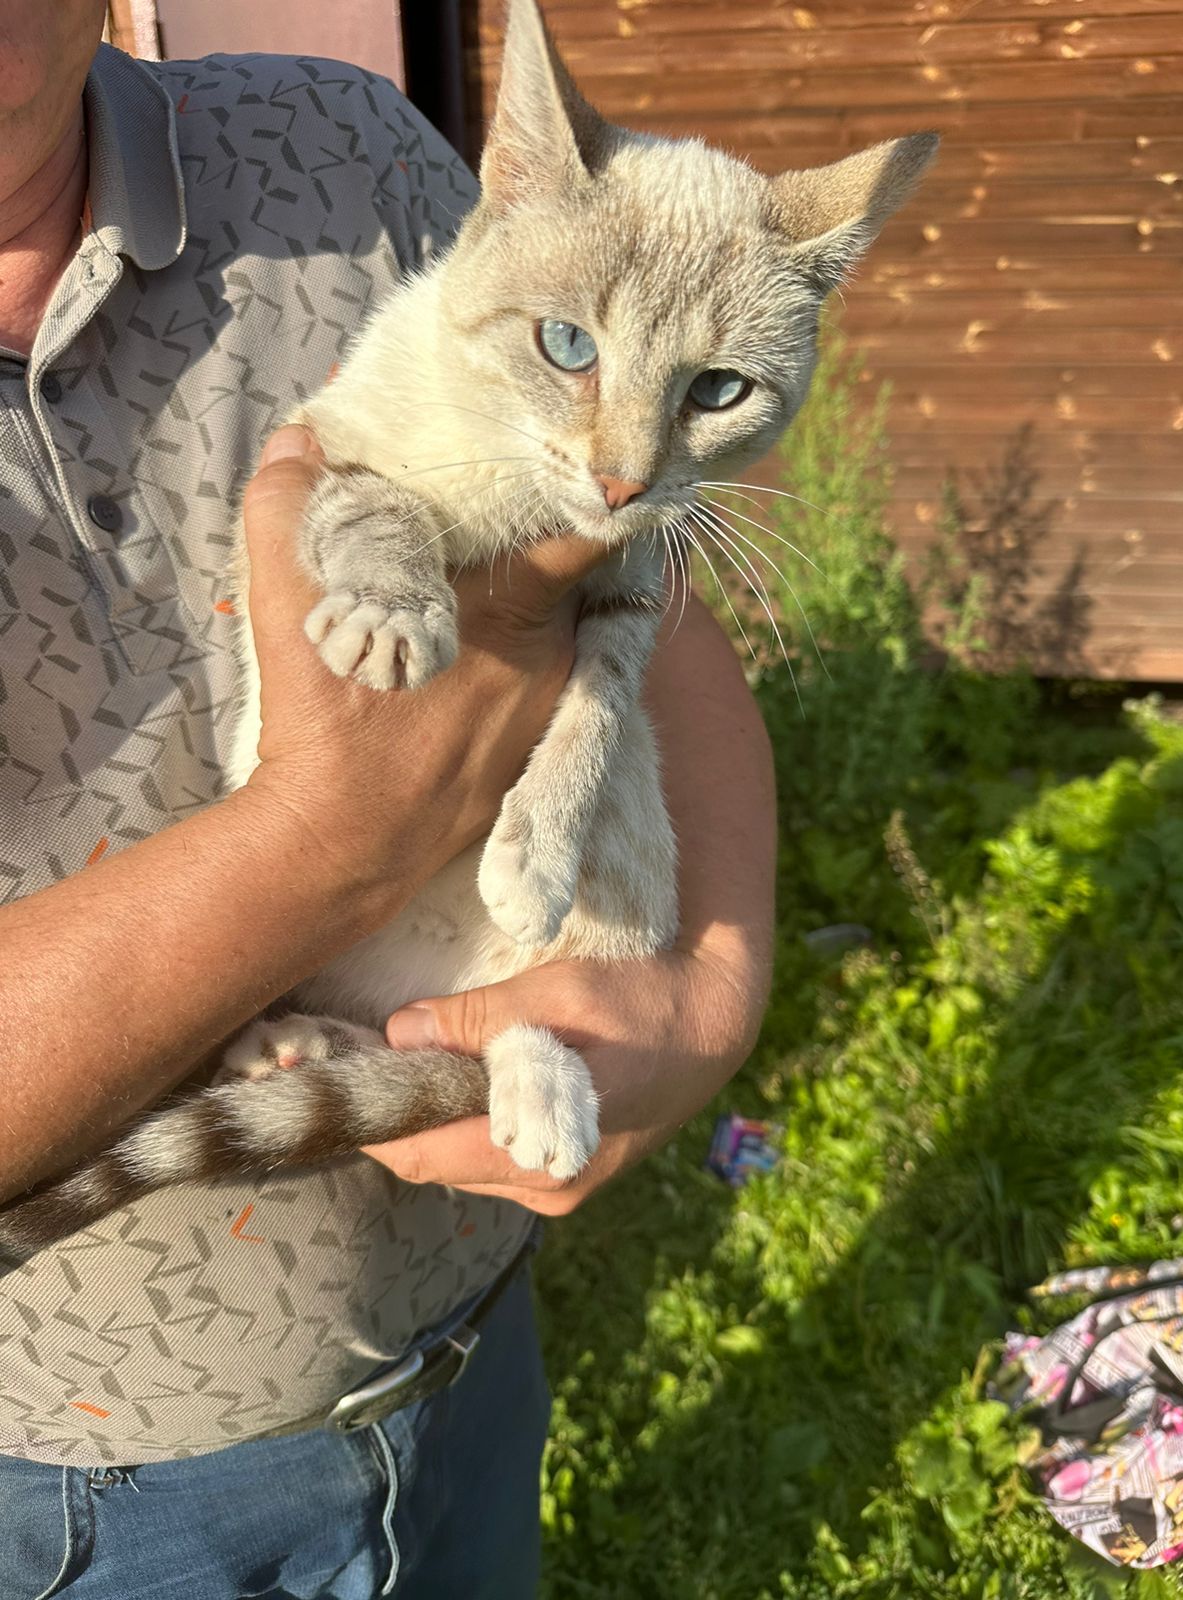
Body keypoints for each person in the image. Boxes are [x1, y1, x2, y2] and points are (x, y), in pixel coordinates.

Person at [0, 3, 775, 1595]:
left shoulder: (344, 150)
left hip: (464, 1342)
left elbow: (634, 568)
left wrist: (711, 984)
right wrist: (323, 841)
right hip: (84, 1480)